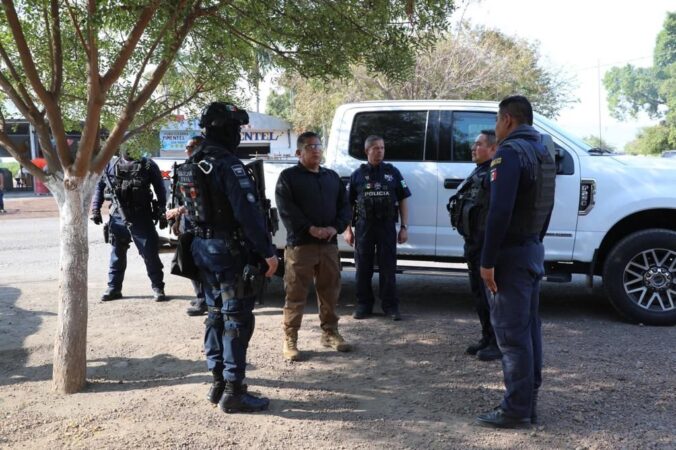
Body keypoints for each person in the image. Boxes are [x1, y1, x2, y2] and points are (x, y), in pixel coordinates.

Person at [180, 102, 278, 413]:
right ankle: (234, 391)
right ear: (225, 129)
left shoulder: (194, 160)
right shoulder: (228, 165)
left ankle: (218, 383)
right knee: (236, 318)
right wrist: (268, 252)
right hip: (228, 252)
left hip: (202, 249)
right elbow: (248, 214)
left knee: (214, 314)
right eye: (235, 128)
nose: (238, 134)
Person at [476, 95, 556, 428]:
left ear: (507, 119)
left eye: (497, 122)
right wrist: (535, 240)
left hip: (510, 255)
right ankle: (527, 402)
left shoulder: (509, 153)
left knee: (511, 335)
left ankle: (515, 409)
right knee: (528, 330)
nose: (496, 129)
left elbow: (500, 210)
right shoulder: (543, 151)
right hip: (532, 248)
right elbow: (547, 205)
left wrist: (488, 260)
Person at [275, 131, 352, 361]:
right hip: (301, 246)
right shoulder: (288, 177)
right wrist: (310, 228)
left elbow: (345, 207)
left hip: (328, 246)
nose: (316, 149)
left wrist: (335, 228)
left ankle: (330, 333)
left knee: (330, 291)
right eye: (310, 146)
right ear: (299, 152)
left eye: (319, 145)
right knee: (296, 293)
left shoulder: (331, 177)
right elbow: (286, 209)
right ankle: (291, 339)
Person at [344, 135, 411, 321]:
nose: (379, 151)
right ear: (367, 151)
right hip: (364, 227)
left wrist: (404, 226)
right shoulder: (357, 174)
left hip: (387, 226)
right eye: (375, 148)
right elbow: (348, 204)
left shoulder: (393, 172)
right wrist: (347, 229)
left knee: (388, 268)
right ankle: (364, 305)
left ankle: (390, 306)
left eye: (382, 147)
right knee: (363, 268)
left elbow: (403, 198)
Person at [449, 130, 502, 361]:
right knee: (478, 295)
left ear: (492, 148)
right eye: (474, 143)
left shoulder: (494, 174)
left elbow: (495, 214)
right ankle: (486, 337)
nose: (473, 147)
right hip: (473, 244)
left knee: (490, 296)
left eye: (479, 144)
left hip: (484, 245)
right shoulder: (478, 171)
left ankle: (498, 343)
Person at [90, 150, 168, 302]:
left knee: (150, 254)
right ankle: (113, 288)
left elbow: (160, 188)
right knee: (116, 255)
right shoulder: (110, 165)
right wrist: (95, 209)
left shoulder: (148, 165)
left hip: (141, 217)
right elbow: (100, 187)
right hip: (117, 217)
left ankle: (158, 287)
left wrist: (161, 210)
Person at [165, 135, 207, 316]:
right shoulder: (185, 169)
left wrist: (178, 211)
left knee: (201, 263)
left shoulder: (205, 169)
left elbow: (201, 199)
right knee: (188, 262)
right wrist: (176, 221)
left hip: (202, 224)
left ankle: (205, 300)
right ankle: (200, 296)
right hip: (187, 223)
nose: (186, 150)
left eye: (190, 147)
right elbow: (180, 197)